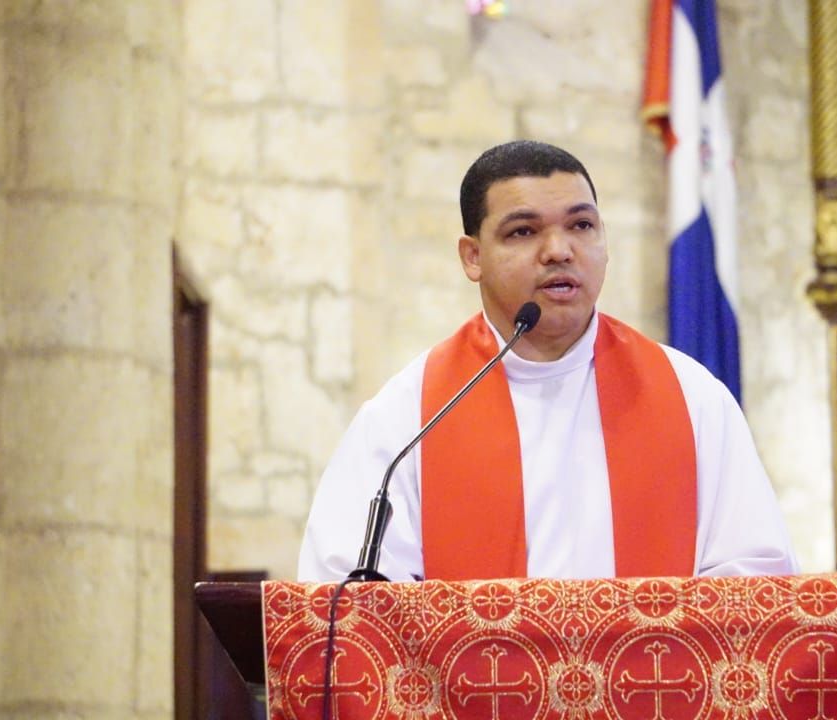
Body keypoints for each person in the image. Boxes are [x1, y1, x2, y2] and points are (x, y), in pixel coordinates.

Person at [297, 140, 798, 582]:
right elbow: (350, 606)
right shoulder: (408, 420)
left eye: (581, 225)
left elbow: (754, 581)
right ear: (472, 257)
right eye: (522, 232)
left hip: (655, 690)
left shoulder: (693, 400)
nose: (559, 250)